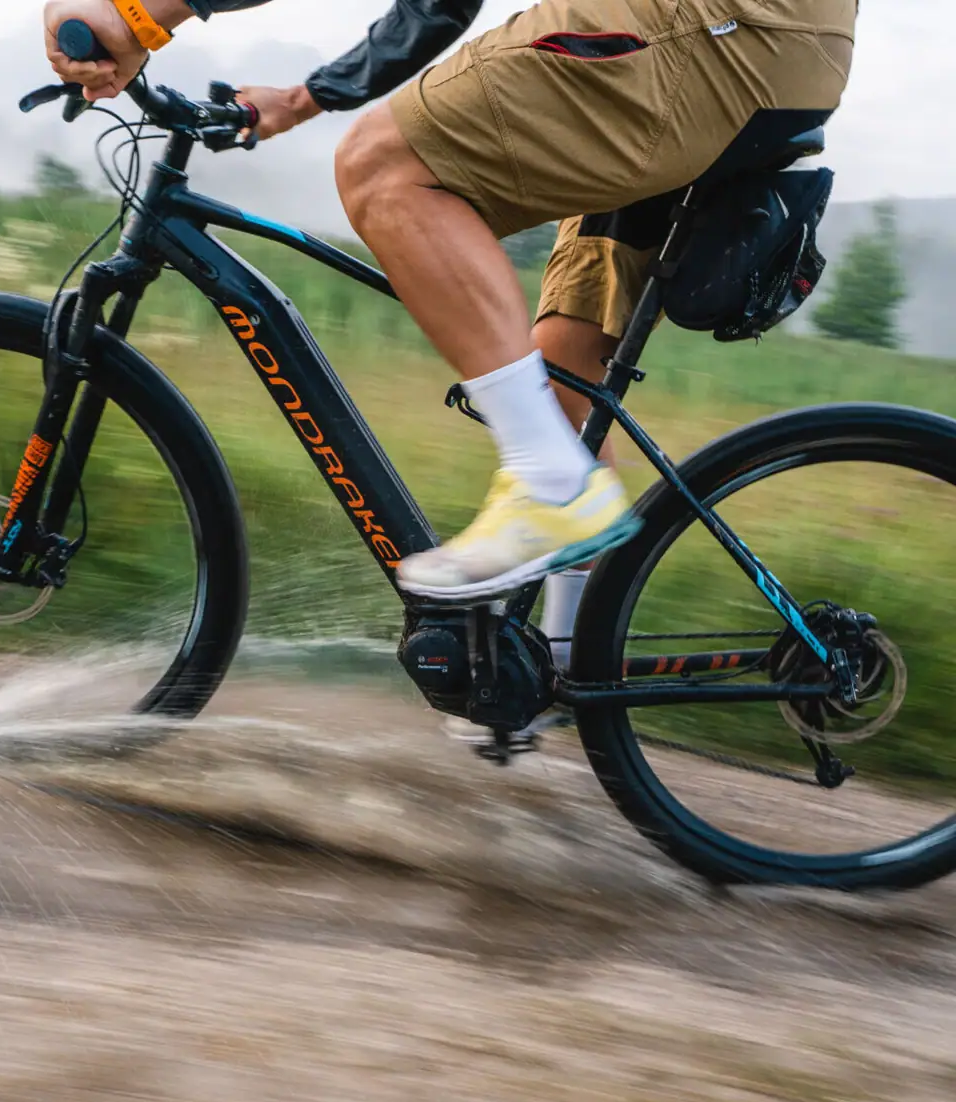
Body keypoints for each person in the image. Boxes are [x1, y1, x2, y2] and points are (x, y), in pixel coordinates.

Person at [43, 0, 858, 676]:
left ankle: (552, 488)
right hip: (760, 48)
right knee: (561, 372)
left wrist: (140, 12)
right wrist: (302, 97)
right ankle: (558, 667)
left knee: (382, 166)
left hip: (717, 27)